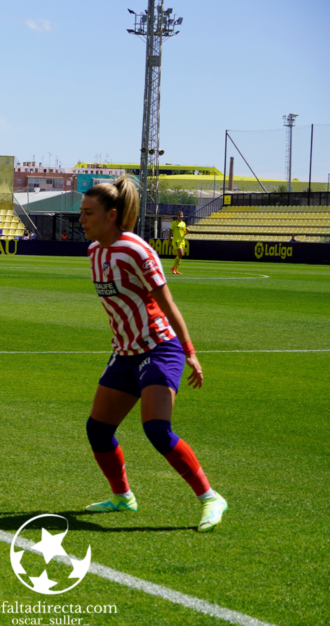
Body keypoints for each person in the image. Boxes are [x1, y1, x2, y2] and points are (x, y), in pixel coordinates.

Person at [78, 176, 226, 532]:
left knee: (157, 429)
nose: (81, 219)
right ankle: (122, 496)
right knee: (98, 430)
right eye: (81, 213)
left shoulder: (137, 250)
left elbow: (167, 303)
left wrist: (189, 352)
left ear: (111, 215)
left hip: (160, 348)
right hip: (125, 352)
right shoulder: (95, 251)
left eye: (88, 213)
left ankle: (210, 498)